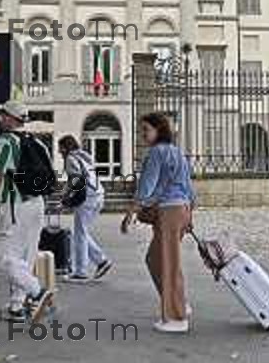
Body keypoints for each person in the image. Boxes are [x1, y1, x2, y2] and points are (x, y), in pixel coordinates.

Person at [0, 100, 53, 322]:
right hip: (37, 204)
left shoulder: (6, 142)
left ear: (11, 118)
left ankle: (38, 291)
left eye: (3, 116)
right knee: (25, 258)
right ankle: (16, 306)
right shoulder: (38, 143)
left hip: (15, 204)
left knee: (5, 256)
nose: (0, 119)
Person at [121, 112, 195, 334]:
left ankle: (176, 317)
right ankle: (179, 302)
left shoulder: (156, 153)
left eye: (146, 130)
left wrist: (131, 211)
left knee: (167, 263)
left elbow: (146, 186)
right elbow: (189, 187)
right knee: (155, 259)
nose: (143, 134)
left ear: (159, 130)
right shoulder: (177, 153)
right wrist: (190, 214)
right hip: (181, 209)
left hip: (169, 210)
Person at [58, 135, 113, 282]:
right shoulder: (84, 157)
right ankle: (101, 261)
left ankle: (81, 272)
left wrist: (65, 198)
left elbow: (75, 179)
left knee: (80, 233)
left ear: (65, 147)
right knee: (81, 232)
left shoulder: (70, 158)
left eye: (60, 147)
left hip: (87, 198)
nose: (59, 151)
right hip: (98, 195)